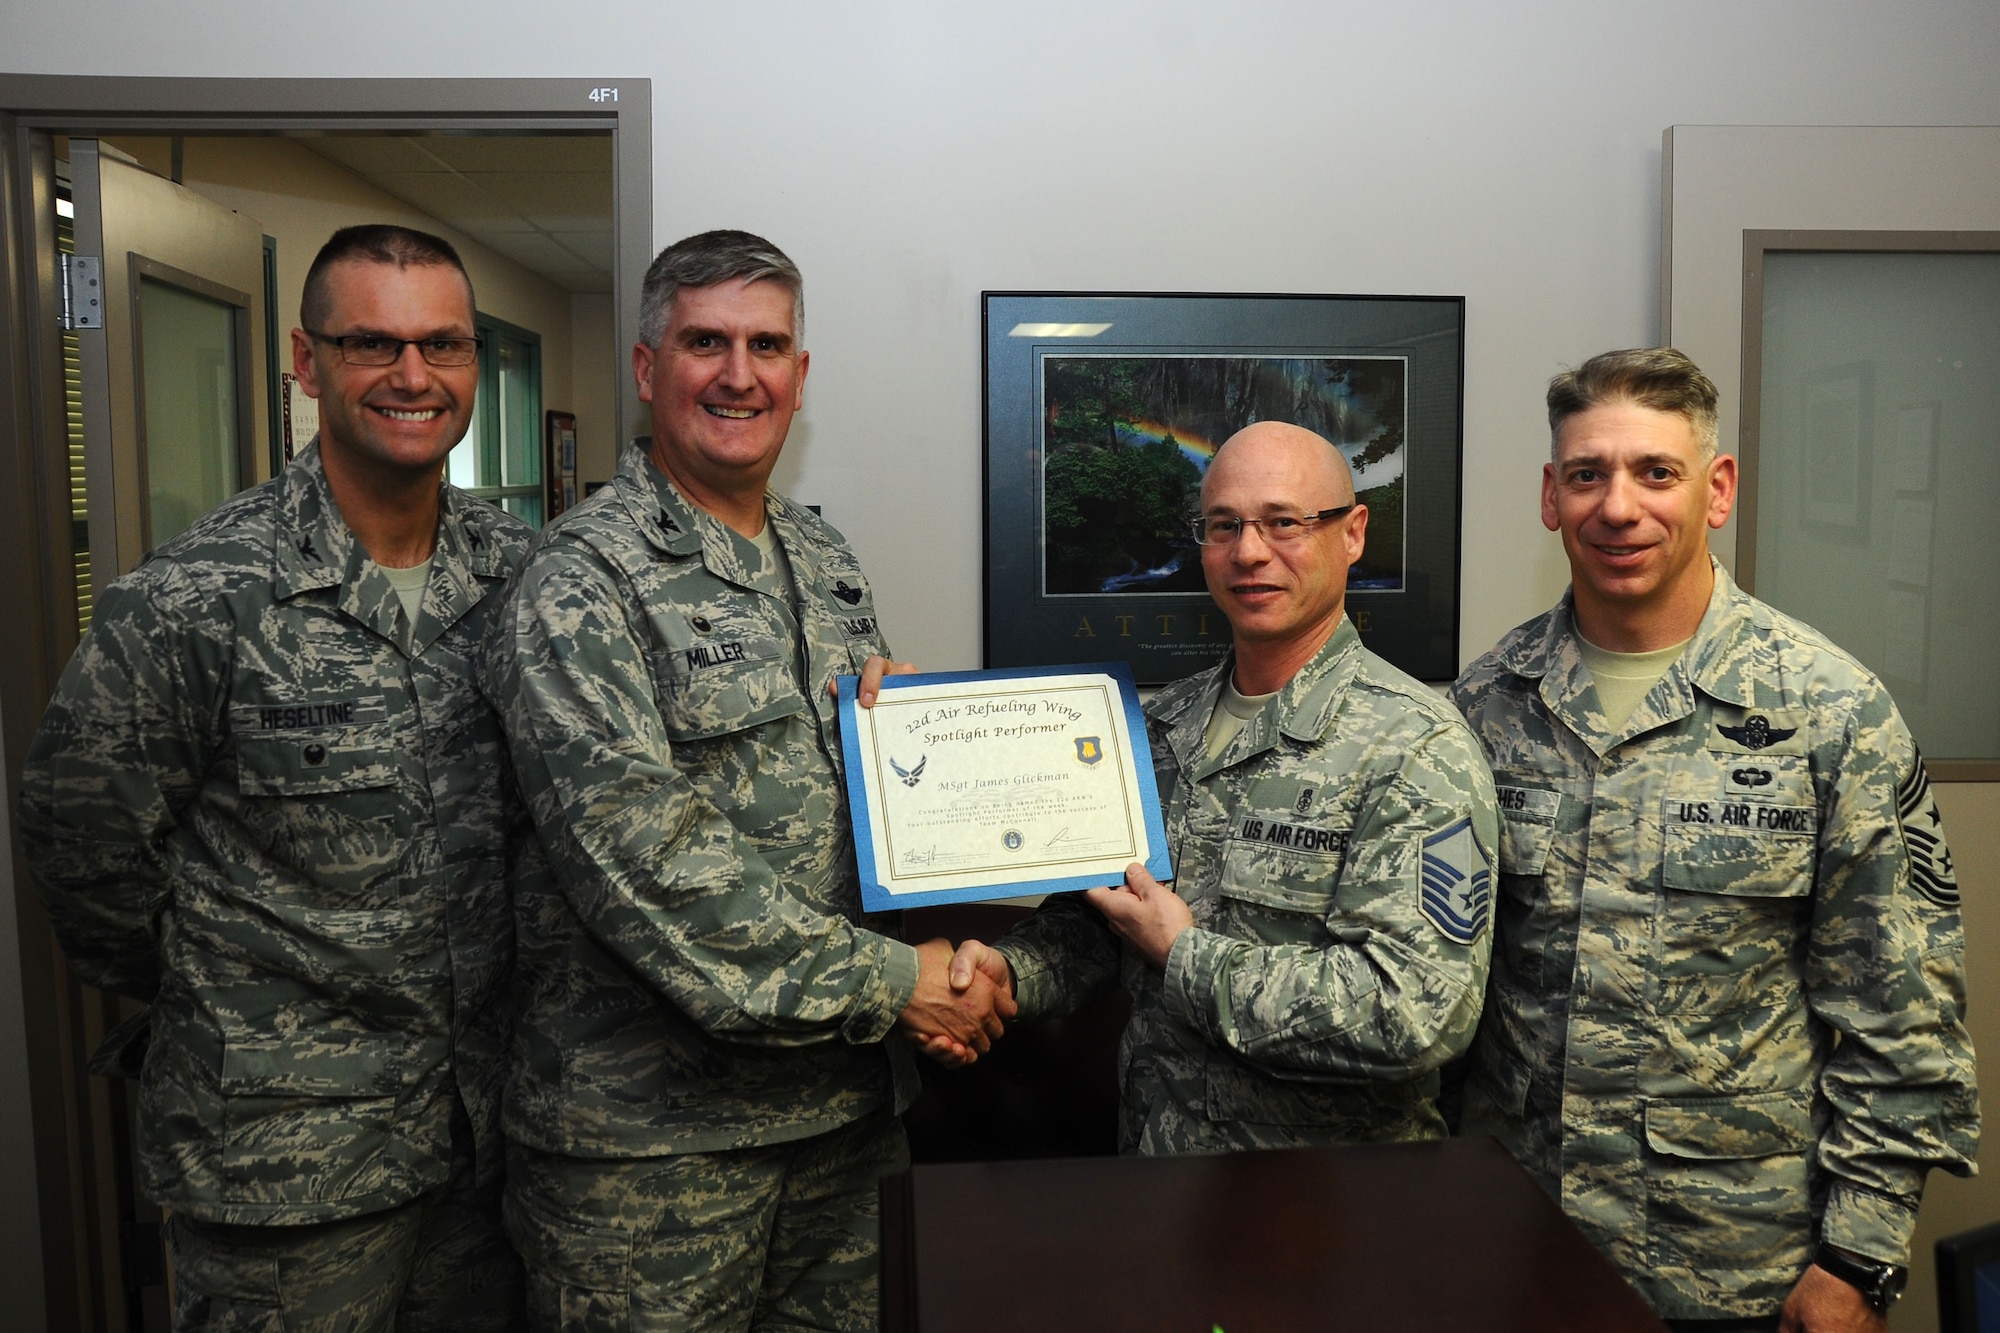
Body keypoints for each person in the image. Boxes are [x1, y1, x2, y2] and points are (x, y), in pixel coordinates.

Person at [485, 228, 1010, 1331]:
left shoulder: (823, 560)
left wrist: (900, 738)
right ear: (645, 367)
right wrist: (899, 983)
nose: (739, 373)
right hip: (651, 1154)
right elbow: (646, 859)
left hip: (841, 1122)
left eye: (766, 344)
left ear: (800, 377)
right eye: (704, 342)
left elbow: (837, 808)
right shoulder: (579, 579)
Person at [21, 224, 533, 1330]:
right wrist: (231, 1000)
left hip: (485, 1141)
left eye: (441, 344)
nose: (412, 376)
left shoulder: (526, 578)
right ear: (306, 363)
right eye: (371, 344)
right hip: (283, 1168)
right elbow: (84, 848)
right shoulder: (196, 594)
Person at [1450, 347, 1978, 1332]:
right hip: (1515, 1252)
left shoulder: (1827, 713)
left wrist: (1855, 1261)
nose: (1618, 506)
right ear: (1548, 496)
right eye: (1585, 473)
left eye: (1655, 472)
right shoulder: (1484, 706)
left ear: (1716, 487)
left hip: (1738, 1274)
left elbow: (1902, 1018)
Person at [940, 420, 1498, 1153]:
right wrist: (1013, 971)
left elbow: (1415, 1012)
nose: (1249, 551)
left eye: (1283, 522)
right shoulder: (1161, 725)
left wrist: (1187, 955)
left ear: (1353, 532)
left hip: (1326, 1215)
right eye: (1223, 525)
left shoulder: (1415, 746)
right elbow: (1106, 923)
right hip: (1158, 1178)